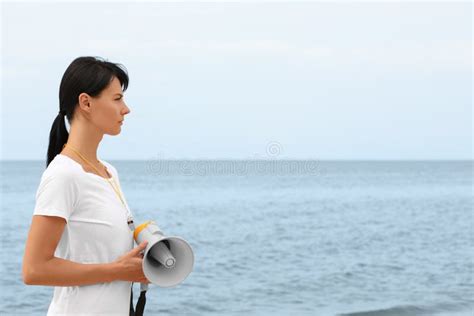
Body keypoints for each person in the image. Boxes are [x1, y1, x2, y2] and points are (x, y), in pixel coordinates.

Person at [22, 56, 150, 315]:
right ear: (86, 102)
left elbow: (104, 257)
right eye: (117, 99)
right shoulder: (63, 175)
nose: (126, 109)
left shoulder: (108, 172)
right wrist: (118, 271)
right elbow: (34, 269)